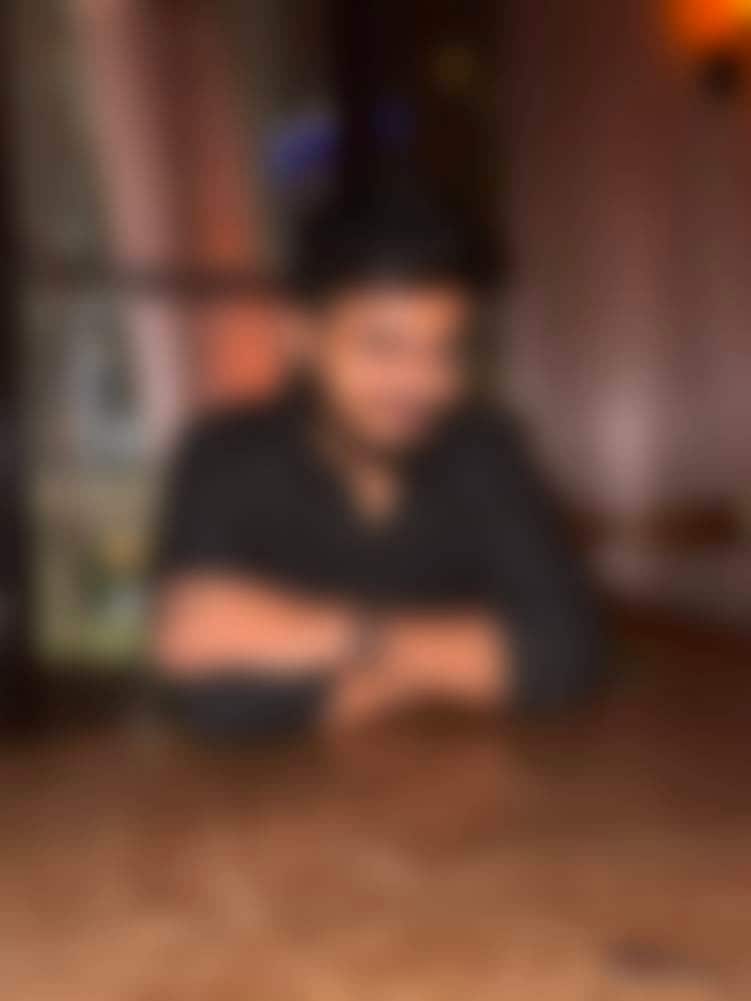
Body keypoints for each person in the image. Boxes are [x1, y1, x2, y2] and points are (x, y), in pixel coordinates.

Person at [152, 189, 604, 737]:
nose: (422, 381)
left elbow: (566, 651)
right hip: (265, 790)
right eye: (383, 345)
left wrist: (350, 641)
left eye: (444, 348)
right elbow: (207, 689)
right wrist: (458, 660)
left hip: (482, 773)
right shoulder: (225, 457)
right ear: (302, 336)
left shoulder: (484, 451)